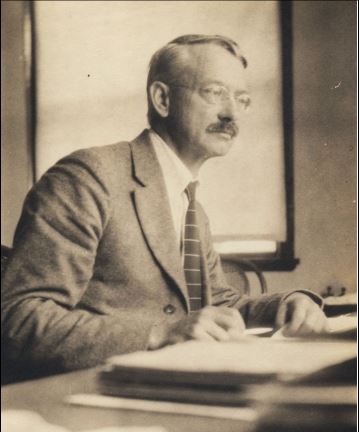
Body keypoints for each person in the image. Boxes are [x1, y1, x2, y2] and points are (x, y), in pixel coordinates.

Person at [1, 35, 328, 377]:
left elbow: (216, 307)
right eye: (215, 92)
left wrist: (286, 304)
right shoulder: (88, 178)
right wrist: (159, 333)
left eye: (242, 99)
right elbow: (18, 321)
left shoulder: (191, 207)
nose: (231, 113)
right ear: (162, 99)